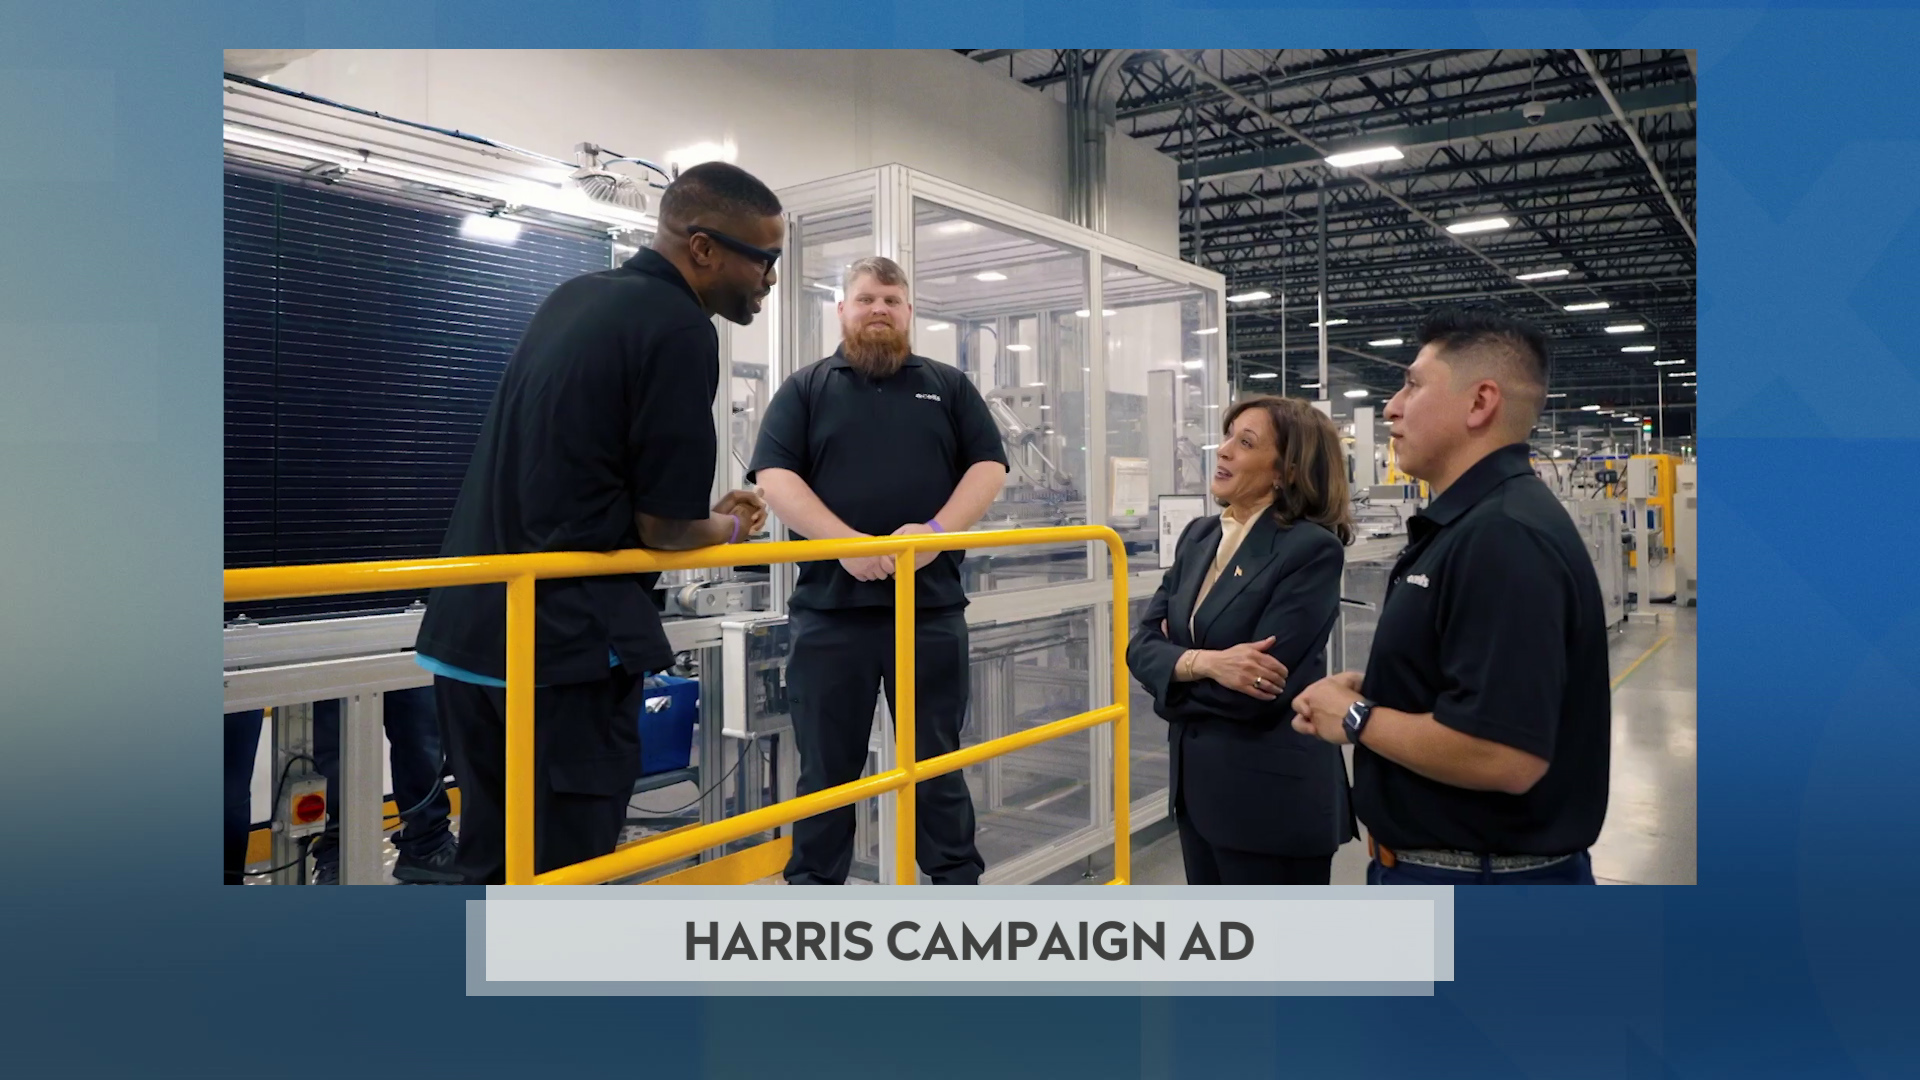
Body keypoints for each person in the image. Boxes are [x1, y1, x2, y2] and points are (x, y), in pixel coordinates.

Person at [413, 162, 777, 885]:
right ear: (703, 248)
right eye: (764, 259)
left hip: (473, 636)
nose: (769, 279)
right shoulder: (678, 329)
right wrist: (733, 528)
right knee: (561, 874)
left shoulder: (576, 295)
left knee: (493, 862)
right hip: (561, 654)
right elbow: (665, 531)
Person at [1290, 305, 1611, 885]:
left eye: (1412, 384)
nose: (1391, 407)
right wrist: (1392, 688)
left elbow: (1504, 756)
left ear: (1479, 403)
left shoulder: (1504, 535)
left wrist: (1358, 717)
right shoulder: (1473, 524)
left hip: (1481, 885)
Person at [748, 256, 1008, 885]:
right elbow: (774, 476)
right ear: (842, 310)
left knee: (937, 764)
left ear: (909, 311)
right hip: (832, 617)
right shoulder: (807, 387)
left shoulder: (946, 386)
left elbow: (988, 468)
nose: (879, 310)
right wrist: (844, 542)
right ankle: (814, 896)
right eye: (865, 299)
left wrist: (936, 534)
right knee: (826, 772)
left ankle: (953, 888)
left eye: (891, 300)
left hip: (930, 612)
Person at [1127, 396, 1355, 885]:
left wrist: (1170, 672)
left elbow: (1256, 694)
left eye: (1244, 442)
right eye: (1228, 435)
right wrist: (1205, 663)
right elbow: (1139, 646)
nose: (1223, 450)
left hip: (1271, 806)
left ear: (1285, 472)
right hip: (1197, 796)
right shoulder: (1199, 536)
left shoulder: (1310, 549)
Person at [308, 687, 458, 884]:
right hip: (330, 659)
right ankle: (339, 854)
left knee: (420, 728)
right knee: (338, 739)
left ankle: (428, 846)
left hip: (409, 657)